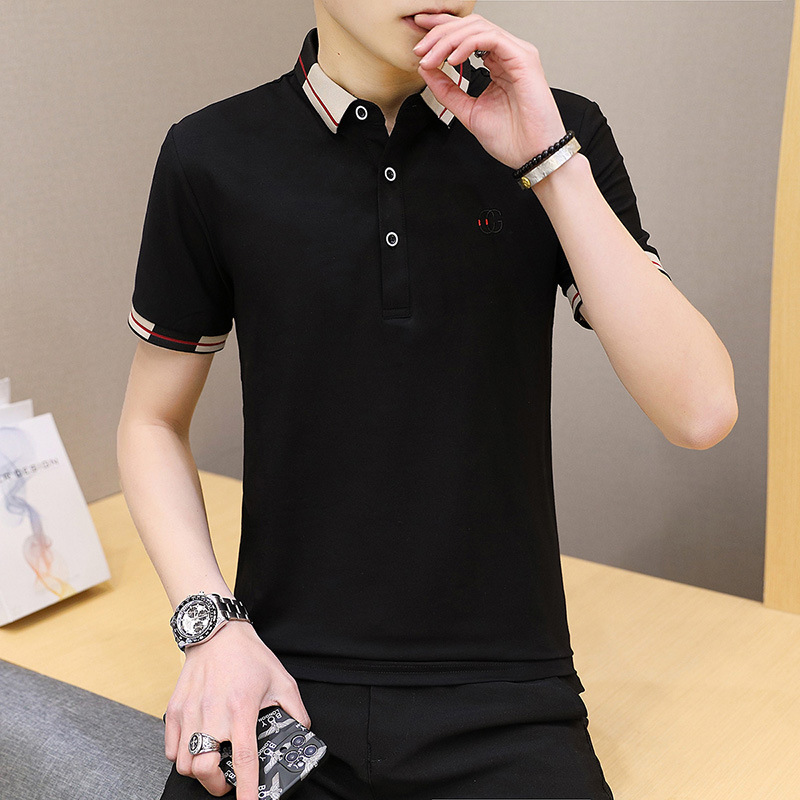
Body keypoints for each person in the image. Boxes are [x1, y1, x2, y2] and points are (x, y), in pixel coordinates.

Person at [117, 2, 738, 799]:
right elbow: (151, 422)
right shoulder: (210, 153)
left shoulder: (560, 132)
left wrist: (549, 160)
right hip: (280, 679)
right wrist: (211, 631)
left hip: (510, 695)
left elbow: (700, 410)